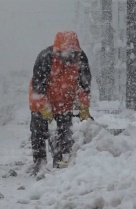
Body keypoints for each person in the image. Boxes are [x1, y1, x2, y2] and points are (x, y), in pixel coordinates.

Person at [29, 31, 92, 175]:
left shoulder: (81, 59)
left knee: (65, 132)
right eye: (67, 54)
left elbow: (84, 87)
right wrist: (45, 109)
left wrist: (84, 108)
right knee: (38, 131)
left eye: (73, 54)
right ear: (58, 51)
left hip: (65, 103)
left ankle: (61, 161)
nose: (70, 58)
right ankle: (40, 162)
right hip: (42, 102)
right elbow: (38, 88)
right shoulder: (45, 58)